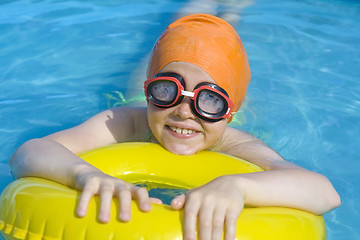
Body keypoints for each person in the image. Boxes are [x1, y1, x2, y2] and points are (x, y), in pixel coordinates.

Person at [9, 14, 340, 240]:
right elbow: (28, 152)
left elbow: (325, 192)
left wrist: (238, 186)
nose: (184, 112)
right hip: (129, 99)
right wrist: (85, 174)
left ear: (229, 111)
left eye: (210, 100)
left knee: (228, 23)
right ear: (149, 91)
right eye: (166, 90)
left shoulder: (238, 146)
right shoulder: (128, 121)